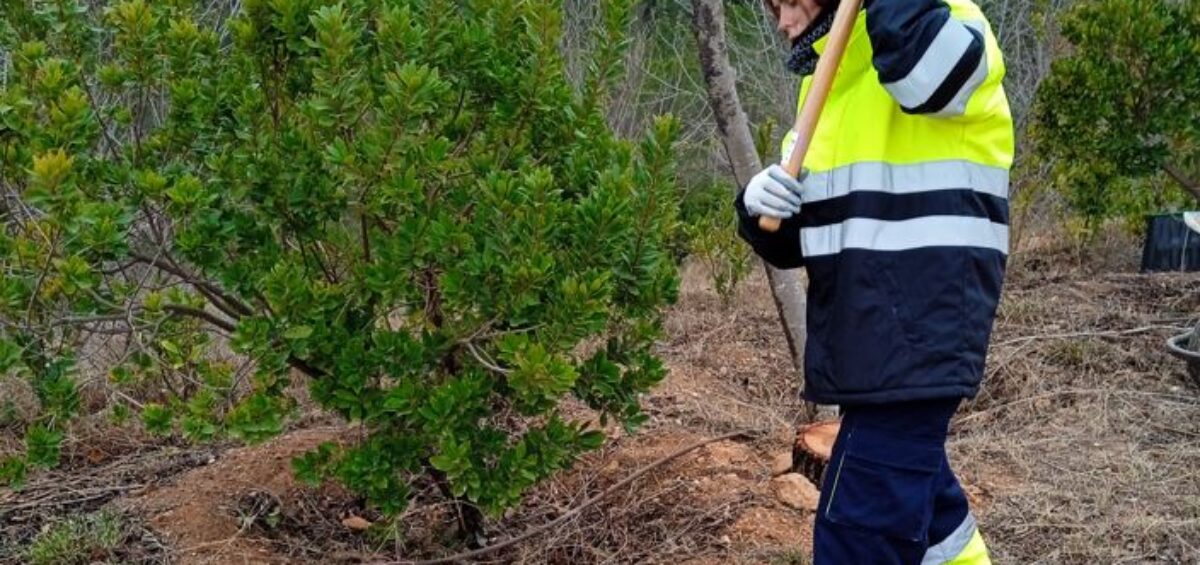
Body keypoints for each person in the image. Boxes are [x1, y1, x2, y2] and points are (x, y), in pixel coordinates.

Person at [736, 0, 1013, 563]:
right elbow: (793, 241)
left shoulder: (949, 23)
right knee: (931, 515)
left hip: (921, 331)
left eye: (788, 4)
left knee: (857, 533)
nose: (784, 23)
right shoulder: (830, 84)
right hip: (864, 341)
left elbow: (927, 78)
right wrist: (756, 208)